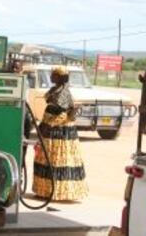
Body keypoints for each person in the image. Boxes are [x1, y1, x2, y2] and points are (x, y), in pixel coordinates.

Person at [33, 66, 88, 201]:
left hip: (60, 133)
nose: (51, 77)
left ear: (60, 77)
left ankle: (58, 192)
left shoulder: (64, 93)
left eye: (54, 75)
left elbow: (61, 114)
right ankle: (45, 191)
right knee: (47, 159)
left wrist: (47, 126)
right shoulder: (54, 90)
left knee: (57, 161)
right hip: (50, 129)